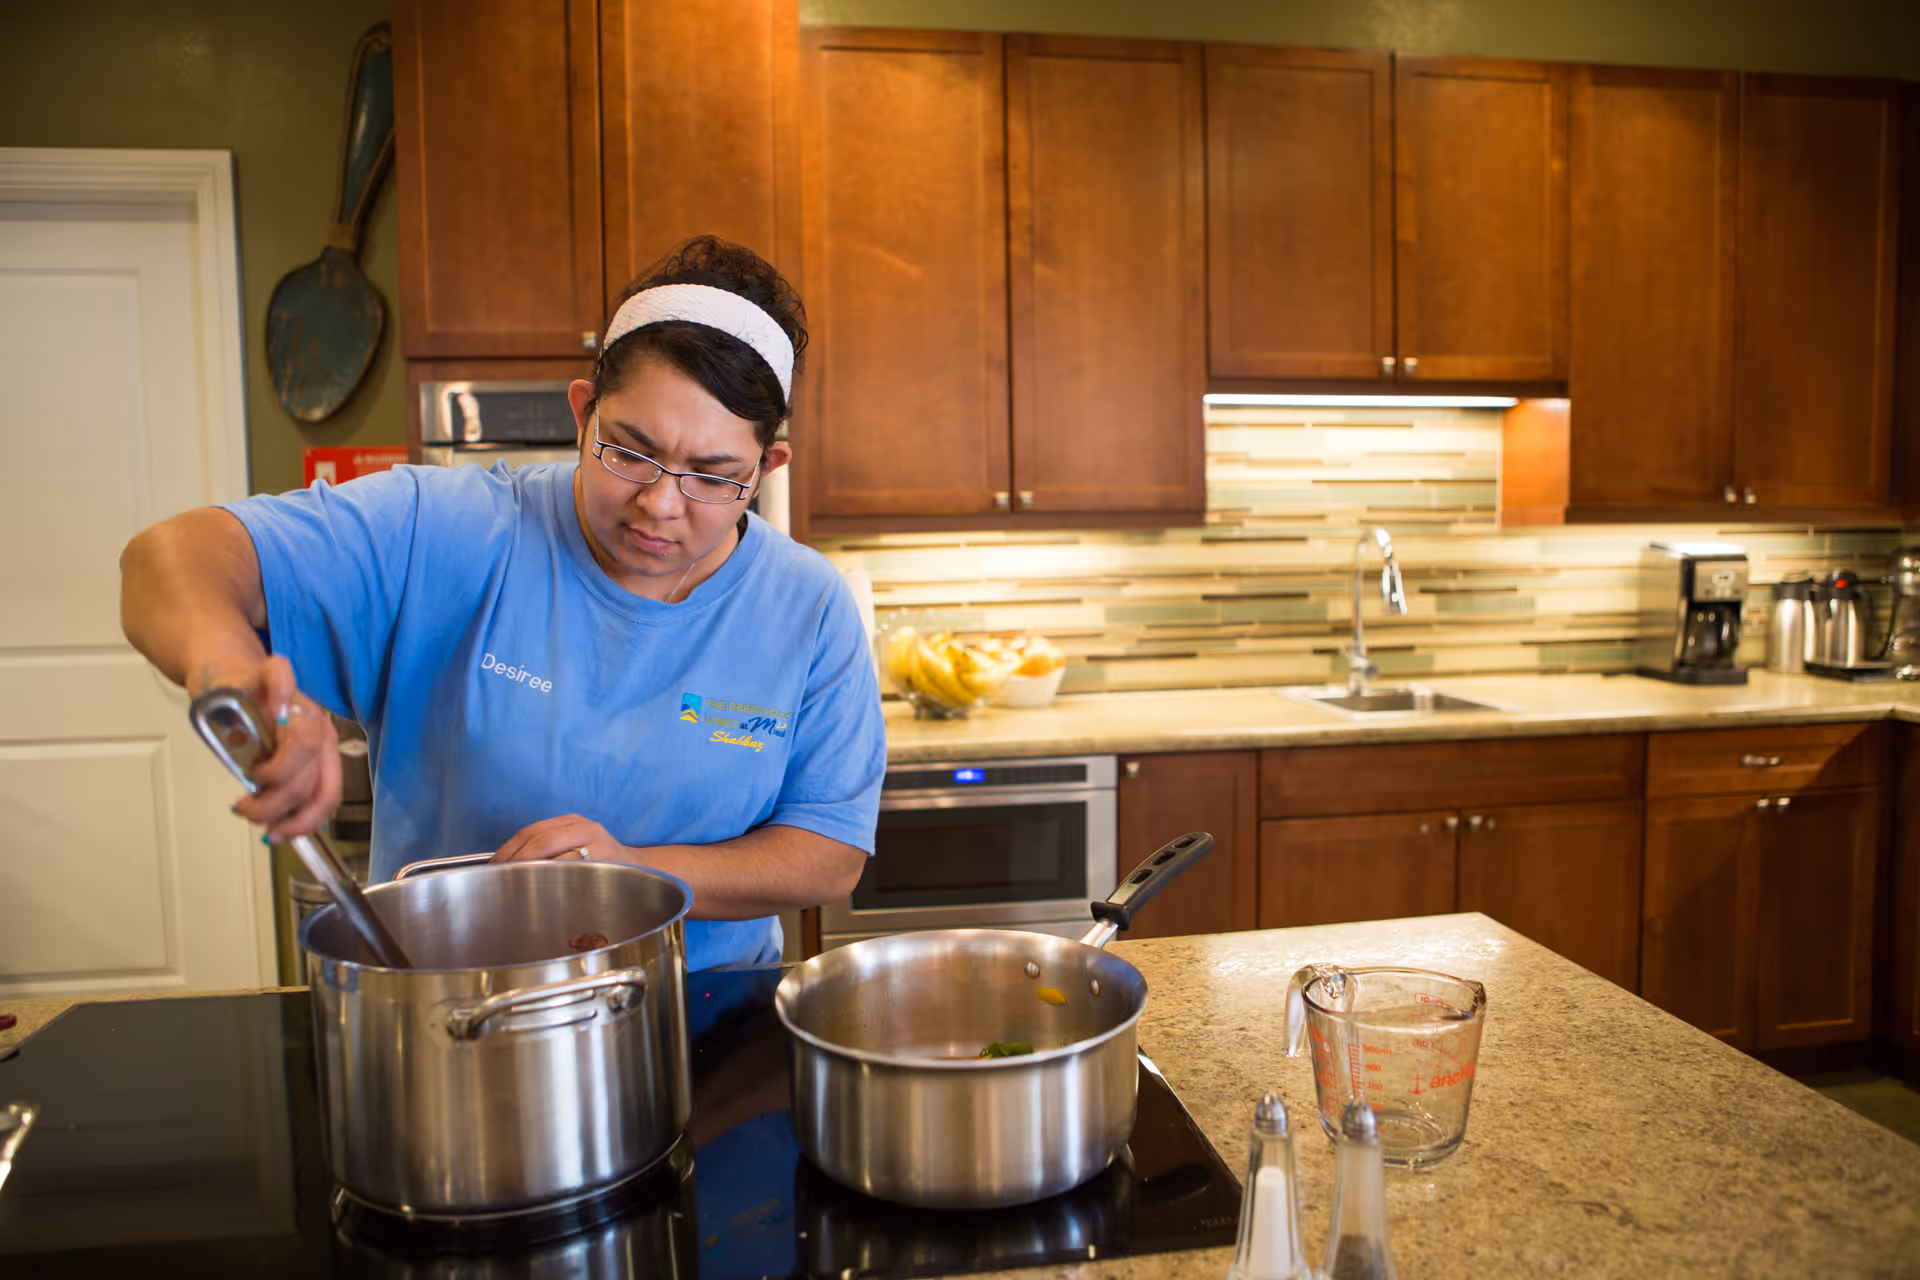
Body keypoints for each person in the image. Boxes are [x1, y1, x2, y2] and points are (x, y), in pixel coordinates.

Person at [120, 236, 885, 970]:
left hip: (710, 1025)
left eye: (714, 475)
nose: (659, 504)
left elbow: (827, 857)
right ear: (583, 411)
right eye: (630, 450)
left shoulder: (808, 607)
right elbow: (167, 558)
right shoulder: (446, 532)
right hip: (461, 1019)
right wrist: (240, 680)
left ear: (767, 465)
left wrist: (632, 876)